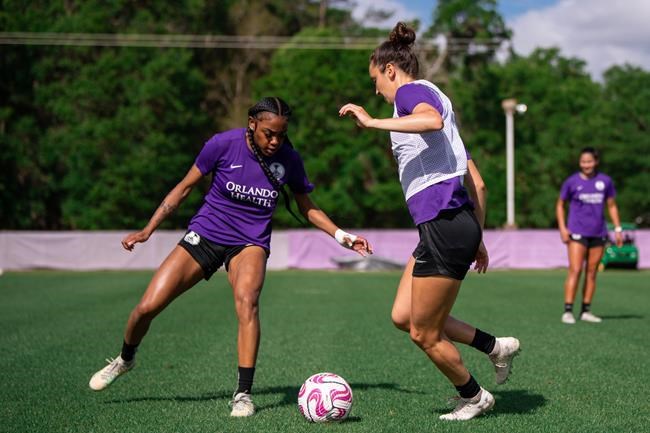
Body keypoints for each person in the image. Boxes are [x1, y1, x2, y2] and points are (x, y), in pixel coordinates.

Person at [88, 97, 372, 417]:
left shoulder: (289, 159)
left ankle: (243, 394)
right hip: (206, 234)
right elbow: (184, 188)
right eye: (268, 134)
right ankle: (125, 359)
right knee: (147, 307)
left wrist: (342, 236)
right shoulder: (222, 144)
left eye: (281, 135)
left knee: (248, 302)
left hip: (250, 242)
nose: (275, 141)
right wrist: (147, 230)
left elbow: (307, 206)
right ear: (252, 124)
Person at [339, 22, 520, 421]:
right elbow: (479, 183)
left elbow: (429, 120)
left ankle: (474, 396)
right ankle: (495, 347)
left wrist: (372, 122)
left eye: (375, 80)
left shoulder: (410, 93)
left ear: (390, 70)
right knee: (403, 316)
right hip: (453, 224)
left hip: (443, 223)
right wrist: (476, 236)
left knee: (424, 332)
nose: (376, 90)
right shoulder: (441, 107)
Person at [556, 147, 622, 324]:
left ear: (596, 162)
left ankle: (586, 310)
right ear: (580, 163)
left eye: (590, 161)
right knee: (575, 269)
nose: (586, 165)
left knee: (592, 272)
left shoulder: (605, 181)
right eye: (583, 162)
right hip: (577, 232)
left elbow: (612, 205)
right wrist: (562, 228)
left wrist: (617, 229)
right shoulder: (571, 182)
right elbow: (560, 205)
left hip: (599, 232)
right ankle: (568, 310)